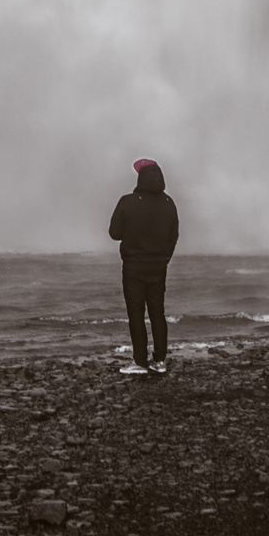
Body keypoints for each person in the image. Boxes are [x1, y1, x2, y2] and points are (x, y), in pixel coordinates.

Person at [108, 158, 179, 374]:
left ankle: (139, 361)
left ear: (140, 178)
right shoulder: (168, 203)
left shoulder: (127, 201)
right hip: (159, 267)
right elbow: (173, 236)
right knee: (157, 313)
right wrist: (164, 257)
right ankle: (159, 361)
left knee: (136, 314)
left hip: (134, 267)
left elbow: (114, 233)